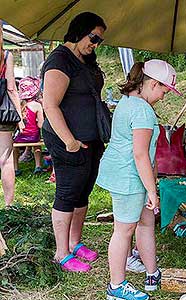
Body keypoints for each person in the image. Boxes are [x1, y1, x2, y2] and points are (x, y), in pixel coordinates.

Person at [96, 59, 182, 300]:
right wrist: (153, 192)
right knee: (123, 231)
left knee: (145, 223)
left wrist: (151, 186)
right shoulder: (143, 110)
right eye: (164, 91)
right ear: (153, 84)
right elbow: (140, 154)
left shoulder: (128, 100)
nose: (164, 97)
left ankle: (152, 273)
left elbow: (147, 156)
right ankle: (116, 286)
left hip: (129, 174)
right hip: (128, 177)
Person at [41, 12, 107, 272]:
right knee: (68, 193)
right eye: (93, 37)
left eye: (99, 40)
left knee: (83, 191)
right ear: (79, 31)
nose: (95, 44)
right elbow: (50, 104)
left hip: (91, 139)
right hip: (67, 140)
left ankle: (75, 242)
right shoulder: (60, 59)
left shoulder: (86, 59)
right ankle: (62, 253)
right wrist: (69, 140)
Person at [0, 23, 24, 207]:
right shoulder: (6, 56)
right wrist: (20, 118)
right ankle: (9, 206)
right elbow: (11, 89)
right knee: (6, 160)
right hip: (4, 114)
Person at [13, 76, 44, 176]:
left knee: (14, 148)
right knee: (37, 145)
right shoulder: (37, 105)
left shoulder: (18, 105)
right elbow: (40, 125)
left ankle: (16, 168)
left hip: (20, 137)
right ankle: (38, 166)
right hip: (33, 136)